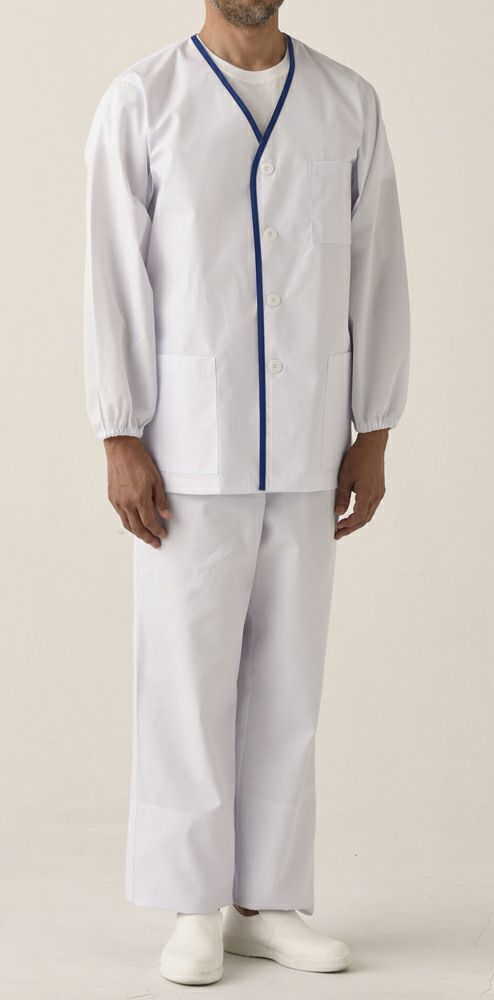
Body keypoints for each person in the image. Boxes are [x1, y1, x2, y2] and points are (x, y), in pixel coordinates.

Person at [83, 0, 410, 985]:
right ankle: (193, 905)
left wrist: (375, 427)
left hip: (310, 444)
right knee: (185, 679)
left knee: (287, 685)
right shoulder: (143, 100)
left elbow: (377, 267)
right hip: (187, 451)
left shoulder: (347, 104)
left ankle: (265, 902)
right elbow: (112, 273)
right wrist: (119, 431)